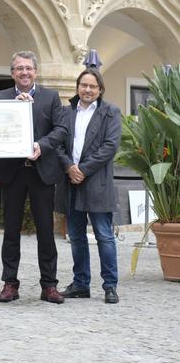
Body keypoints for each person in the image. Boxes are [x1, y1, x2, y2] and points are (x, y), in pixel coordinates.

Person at [0, 50, 67, 304]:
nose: (24, 72)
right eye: (19, 68)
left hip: (41, 172)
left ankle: (49, 285)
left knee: (46, 231)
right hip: (12, 172)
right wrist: (15, 109)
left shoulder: (50, 97)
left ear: (35, 71)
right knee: (10, 230)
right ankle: (10, 284)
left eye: (28, 68)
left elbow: (61, 130)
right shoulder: (1, 97)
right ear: (12, 73)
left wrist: (41, 145)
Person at [56, 67, 122, 304]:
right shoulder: (66, 112)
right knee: (76, 236)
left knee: (104, 236)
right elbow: (58, 144)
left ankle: (110, 286)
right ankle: (81, 284)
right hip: (70, 181)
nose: (87, 89)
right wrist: (68, 167)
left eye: (92, 86)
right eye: (84, 85)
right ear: (77, 87)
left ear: (100, 89)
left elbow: (110, 147)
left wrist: (82, 169)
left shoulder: (110, 112)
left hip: (97, 182)